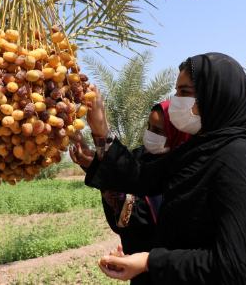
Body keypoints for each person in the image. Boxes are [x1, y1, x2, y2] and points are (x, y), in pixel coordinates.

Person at [82, 52, 246, 284]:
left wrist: (150, 262)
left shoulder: (241, 161)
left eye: (185, 92)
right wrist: (101, 130)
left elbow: (241, 266)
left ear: (216, 96)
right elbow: (141, 177)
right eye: (176, 92)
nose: (176, 101)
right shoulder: (198, 152)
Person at [70, 101, 190, 285]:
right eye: (148, 127)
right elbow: (117, 172)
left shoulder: (183, 171)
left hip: (170, 270)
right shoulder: (140, 156)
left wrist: (97, 161)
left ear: (176, 134)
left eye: (158, 130)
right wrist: (91, 160)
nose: (150, 134)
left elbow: (141, 211)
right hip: (139, 270)